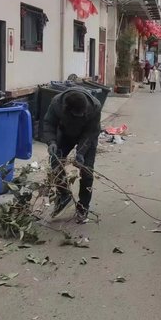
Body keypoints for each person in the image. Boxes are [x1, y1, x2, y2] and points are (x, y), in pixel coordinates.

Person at [43, 87, 102, 223]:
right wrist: (51, 141)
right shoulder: (56, 104)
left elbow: (91, 132)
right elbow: (49, 123)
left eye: (83, 114)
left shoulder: (95, 107)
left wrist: (80, 152)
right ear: (66, 109)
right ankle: (64, 195)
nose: (81, 116)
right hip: (65, 135)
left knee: (87, 170)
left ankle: (83, 206)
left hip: (87, 137)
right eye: (77, 114)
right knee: (55, 163)